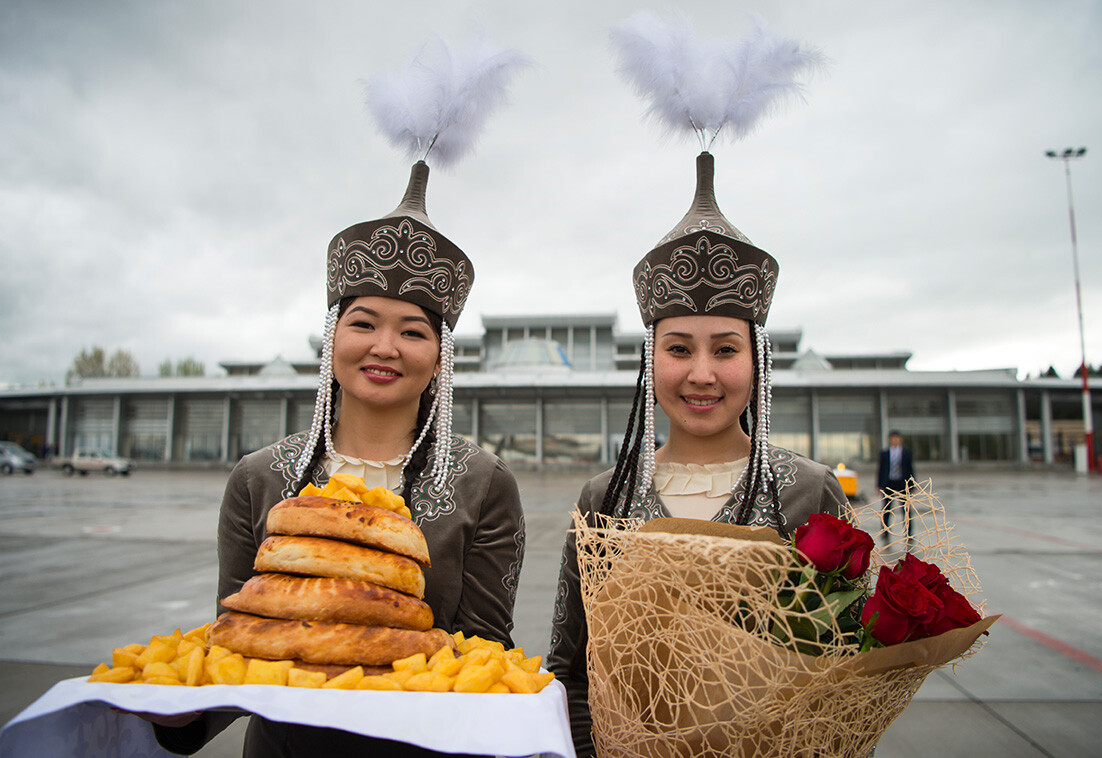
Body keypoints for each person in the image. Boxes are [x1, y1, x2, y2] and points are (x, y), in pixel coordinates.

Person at [151, 159, 526, 758]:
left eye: (412, 331)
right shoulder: (260, 476)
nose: (384, 346)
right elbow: (238, 641)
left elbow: (485, 653)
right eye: (364, 323)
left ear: (439, 357)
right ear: (333, 339)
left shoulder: (482, 483)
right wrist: (180, 720)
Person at [546, 151, 850, 758]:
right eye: (679, 348)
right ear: (650, 359)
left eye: (726, 349)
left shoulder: (808, 491)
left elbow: (847, 670)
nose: (702, 374)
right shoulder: (604, 496)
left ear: (756, 360)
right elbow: (570, 666)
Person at [876, 430, 916, 541]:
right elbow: (880, 470)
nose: (895, 440)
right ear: (890, 440)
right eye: (893, 438)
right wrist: (879, 485)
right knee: (886, 509)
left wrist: (912, 485)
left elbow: (911, 469)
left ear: (900, 439)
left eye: (897, 438)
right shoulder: (884, 453)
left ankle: (908, 532)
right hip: (888, 483)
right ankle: (885, 532)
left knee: (906, 509)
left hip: (903, 483)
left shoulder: (906, 453)